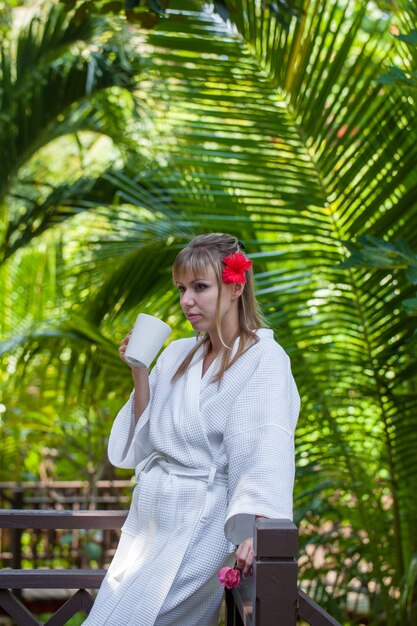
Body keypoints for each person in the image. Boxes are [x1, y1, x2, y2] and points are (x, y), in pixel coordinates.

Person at [82, 233, 300, 626]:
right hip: (151, 522)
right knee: (109, 616)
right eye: (182, 288)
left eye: (200, 287)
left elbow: (266, 443)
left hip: (204, 522)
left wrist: (257, 528)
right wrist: (140, 373)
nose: (186, 300)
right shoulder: (179, 353)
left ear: (235, 286)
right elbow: (146, 442)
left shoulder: (264, 357)